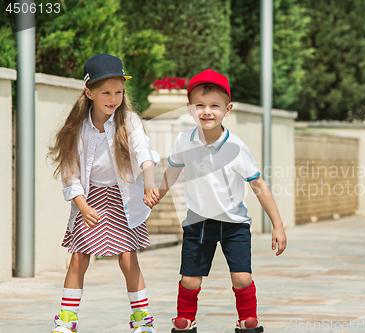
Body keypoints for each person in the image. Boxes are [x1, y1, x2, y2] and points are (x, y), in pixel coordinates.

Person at [155, 69, 287, 332]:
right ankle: (185, 318)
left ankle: (248, 318)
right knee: (191, 280)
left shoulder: (236, 147)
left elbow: (258, 184)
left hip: (234, 223)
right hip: (198, 222)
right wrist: (157, 195)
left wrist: (278, 224)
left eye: (215, 106)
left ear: (228, 109)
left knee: (241, 277)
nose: (207, 111)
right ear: (190, 109)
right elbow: (172, 171)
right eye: (200, 105)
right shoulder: (184, 140)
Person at [48, 53, 160, 333]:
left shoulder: (129, 121)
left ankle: (141, 319)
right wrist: (82, 205)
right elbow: (70, 174)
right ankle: (66, 320)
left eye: (119, 92)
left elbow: (142, 151)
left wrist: (149, 182)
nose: (113, 98)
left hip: (123, 197)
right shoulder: (77, 129)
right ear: (89, 92)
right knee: (79, 256)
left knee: (128, 256)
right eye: (106, 92)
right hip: (90, 198)